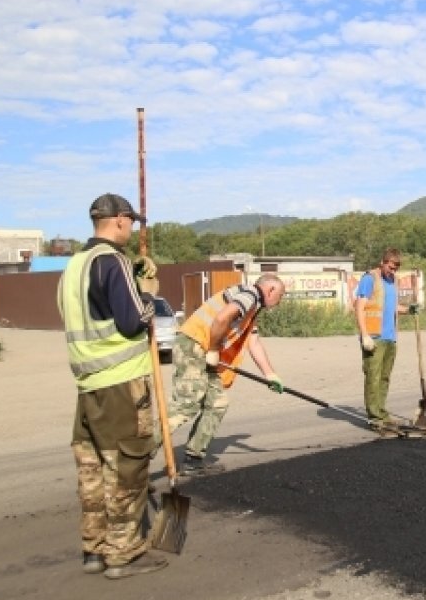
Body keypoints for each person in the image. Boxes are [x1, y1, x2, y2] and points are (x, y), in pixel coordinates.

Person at [57, 193, 168, 579]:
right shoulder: (113, 260)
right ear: (119, 220)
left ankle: (94, 548)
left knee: (92, 467)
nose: (132, 227)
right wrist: (148, 290)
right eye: (131, 222)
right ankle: (123, 553)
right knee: (127, 466)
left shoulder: (73, 266)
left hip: (88, 384)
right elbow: (132, 320)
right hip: (122, 383)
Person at [165, 274, 286, 473]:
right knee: (185, 405)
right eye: (279, 296)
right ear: (270, 290)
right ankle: (134, 455)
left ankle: (193, 460)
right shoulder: (251, 294)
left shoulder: (251, 308)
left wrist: (270, 374)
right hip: (194, 345)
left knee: (217, 403)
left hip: (205, 351)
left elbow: (253, 342)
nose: (278, 303)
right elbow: (222, 317)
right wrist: (213, 348)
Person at [355, 247, 418, 434]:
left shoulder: (393, 281)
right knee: (373, 377)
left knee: (384, 378)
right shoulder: (370, 279)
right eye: (390, 267)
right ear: (382, 262)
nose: (393, 271)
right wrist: (365, 334)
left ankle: (382, 413)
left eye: (396, 269)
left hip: (390, 337)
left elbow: (390, 306)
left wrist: (408, 310)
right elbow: (359, 307)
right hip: (373, 338)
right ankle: (375, 419)